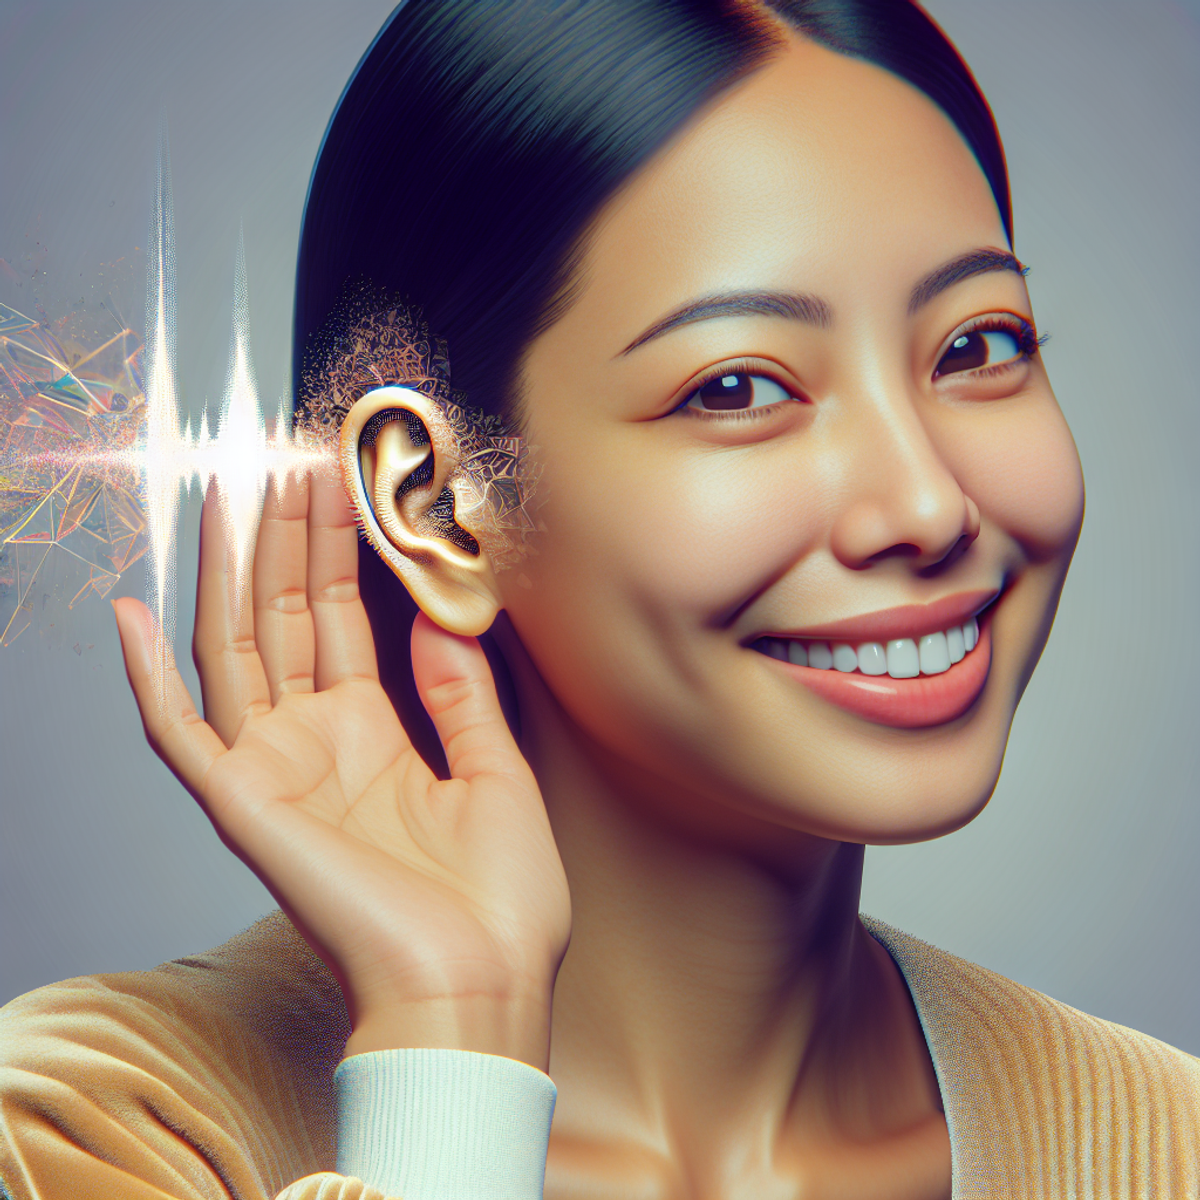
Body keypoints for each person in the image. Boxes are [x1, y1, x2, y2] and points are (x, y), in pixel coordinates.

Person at [1, 2, 1196, 1197]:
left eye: (979, 347)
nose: (928, 507)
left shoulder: (1165, 1143)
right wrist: (450, 1050)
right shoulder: (97, 1130)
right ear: (441, 504)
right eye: (736, 386)